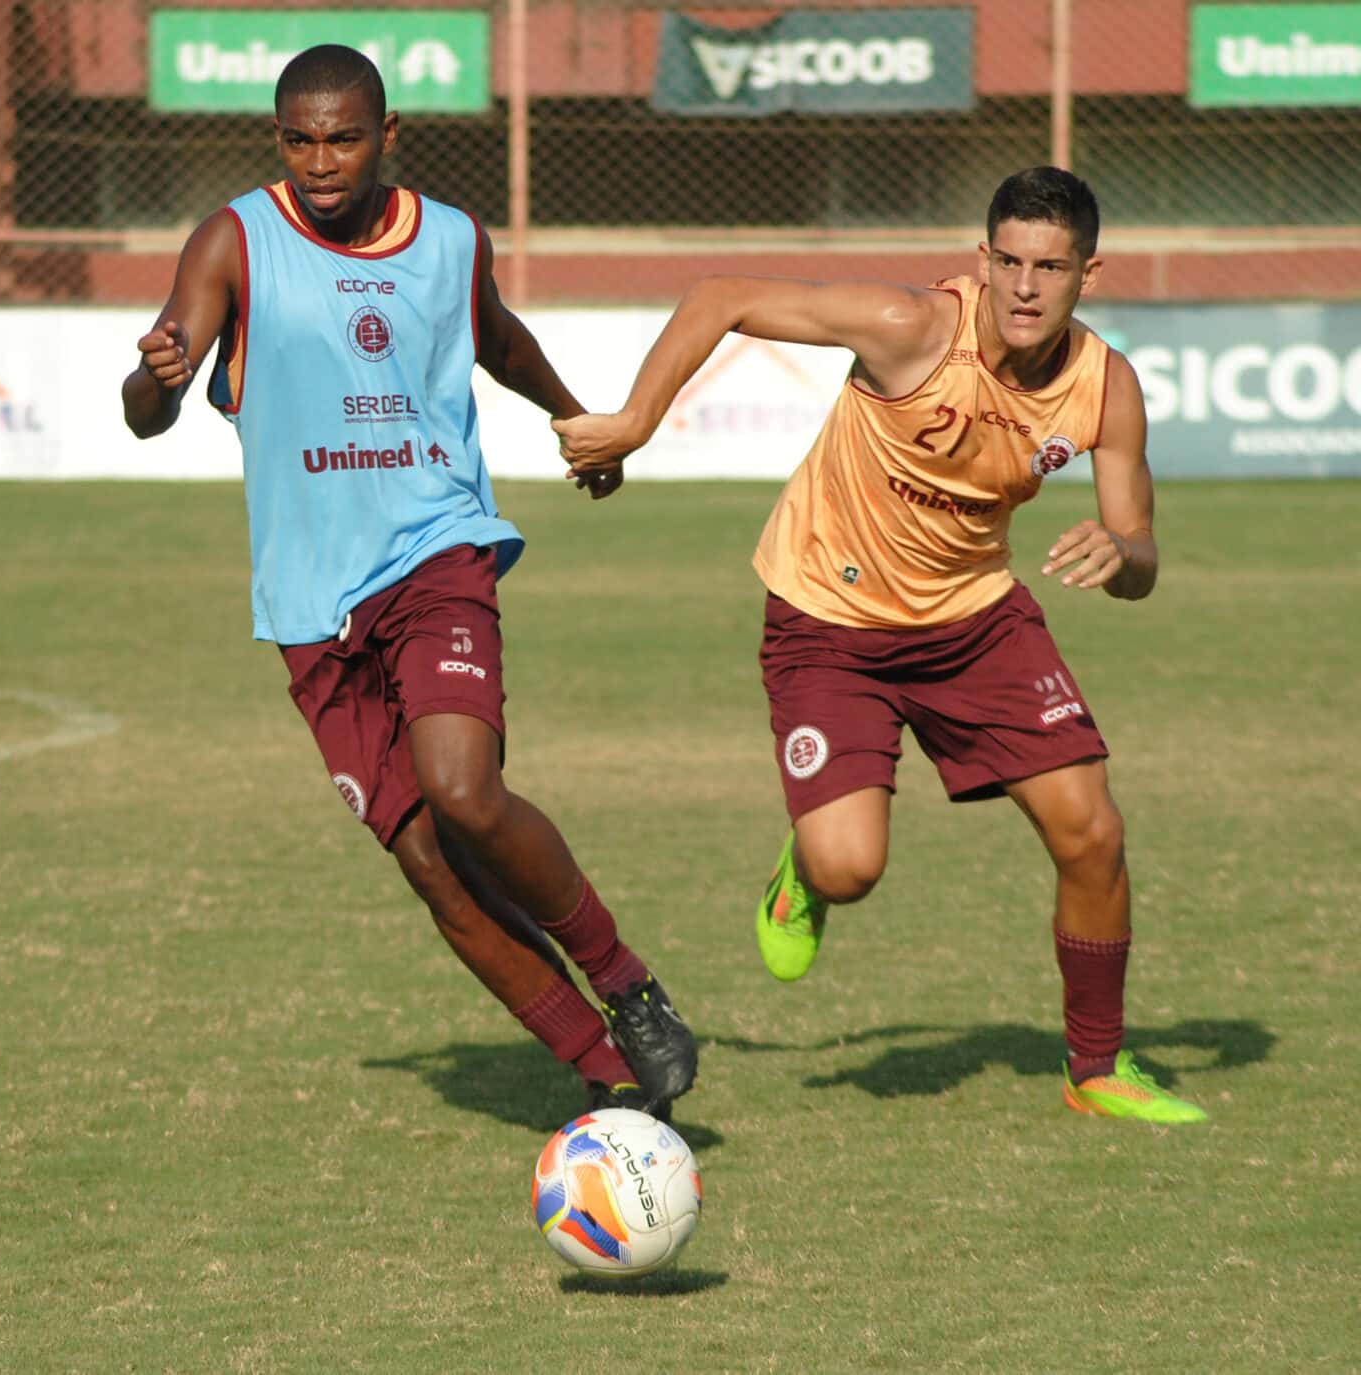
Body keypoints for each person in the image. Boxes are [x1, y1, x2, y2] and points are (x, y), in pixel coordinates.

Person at [554, 166, 1205, 1123]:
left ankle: (1097, 1067)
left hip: (977, 620)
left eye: (1051, 268)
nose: (1026, 287)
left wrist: (1126, 551)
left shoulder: (1106, 388)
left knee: (1093, 830)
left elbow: (1142, 552)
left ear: (1088, 275)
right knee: (850, 866)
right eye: (1011, 262)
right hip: (829, 621)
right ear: (982, 261)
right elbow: (720, 297)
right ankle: (805, 869)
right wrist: (633, 426)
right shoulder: (911, 328)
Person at [121, 44, 697, 1120]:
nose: (321, 161)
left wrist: (580, 421)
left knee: (464, 791)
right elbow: (154, 401)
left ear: (388, 136)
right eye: (299, 140)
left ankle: (626, 985)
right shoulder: (233, 240)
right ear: (277, 141)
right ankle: (607, 1077)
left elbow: (498, 340)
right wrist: (149, 378)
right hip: (308, 600)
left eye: (343, 138)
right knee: (430, 862)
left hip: (434, 549)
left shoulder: (447, 240)